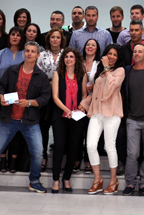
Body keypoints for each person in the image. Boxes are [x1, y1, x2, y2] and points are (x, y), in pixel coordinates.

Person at [0, 41, 52, 194]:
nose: (29, 53)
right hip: (8, 119)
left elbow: (45, 98)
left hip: (30, 121)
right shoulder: (12, 70)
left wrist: (29, 102)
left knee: (38, 153)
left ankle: (34, 181)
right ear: (24, 53)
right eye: (27, 50)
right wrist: (1, 97)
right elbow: (0, 86)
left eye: (33, 51)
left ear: (38, 55)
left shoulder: (41, 77)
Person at [84, 44, 125, 194]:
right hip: (97, 112)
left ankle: (113, 181)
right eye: (109, 54)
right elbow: (96, 93)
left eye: (114, 55)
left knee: (109, 146)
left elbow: (112, 87)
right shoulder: (100, 72)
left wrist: (107, 68)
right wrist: (84, 103)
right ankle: (98, 179)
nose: (111, 57)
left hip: (112, 113)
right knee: (90, 145)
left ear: (118, 57)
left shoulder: (120, 71)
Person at [121, 39, 144, 196]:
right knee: (132, 154)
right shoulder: (126, 71)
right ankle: (130, 183)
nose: (137, 54)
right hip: (132, 119)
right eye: (135, 51)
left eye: (140, 52)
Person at [50, 46, 87, 193]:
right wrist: (67, 110)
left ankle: (67, 178)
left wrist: (81, 105)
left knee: (73, 147)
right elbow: (55, 97)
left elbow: (84, 95)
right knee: (59, 146)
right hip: (60, 115)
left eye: (71, 56)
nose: (68, 59)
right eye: (66, 56)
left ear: (76, 59)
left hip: (77, 116)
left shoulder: (82, 75)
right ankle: (55, 180)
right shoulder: (57, 74)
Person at [0, 26, 25, 173]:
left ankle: (13, 159)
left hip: (20, 97)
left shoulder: (25, 54)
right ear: (9, 36)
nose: (15, 37)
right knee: (4, 129)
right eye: (13, 34)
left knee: (17, 130)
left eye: (18, 35)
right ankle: (3, 159)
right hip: (3, 96)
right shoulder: (0, 54)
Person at [37, 27, 64, 170]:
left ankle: (60, 159)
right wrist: (49, 85)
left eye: (58, 37)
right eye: (53, 37)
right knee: (43, 127)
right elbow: (37, 73)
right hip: (45, 94)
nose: (55, 40)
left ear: (61, 40)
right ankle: (43, 157)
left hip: (62, 95)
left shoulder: (66, 54)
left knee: (60, 129)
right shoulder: (41, 55)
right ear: (49, 39)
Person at [77, 38, 102, 173]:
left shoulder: (99, 64)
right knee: (78, 130)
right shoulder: (78, 62)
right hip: (78, 100)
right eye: (88, 44)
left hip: (94, 101)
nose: (90, 47)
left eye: (93, 45)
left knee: (90, 132)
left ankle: (88, 160)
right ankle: (76, 158)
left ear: (97, 48)